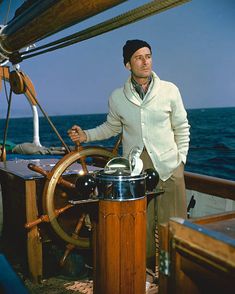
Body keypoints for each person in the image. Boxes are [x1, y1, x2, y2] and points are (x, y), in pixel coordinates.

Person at [68, 39, 190, 273]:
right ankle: (143, 276)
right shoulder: (117, 97)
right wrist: (86, 136)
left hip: (170, 168)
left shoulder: (170, 90)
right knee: (140, 227)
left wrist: (180, 162)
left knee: (173, 227)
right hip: (137, 172)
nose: (145, 62)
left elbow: (182, 128)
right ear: (127, 65)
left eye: (148, 56)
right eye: (138, 57)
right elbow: (111, 128)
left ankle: (171, 276)